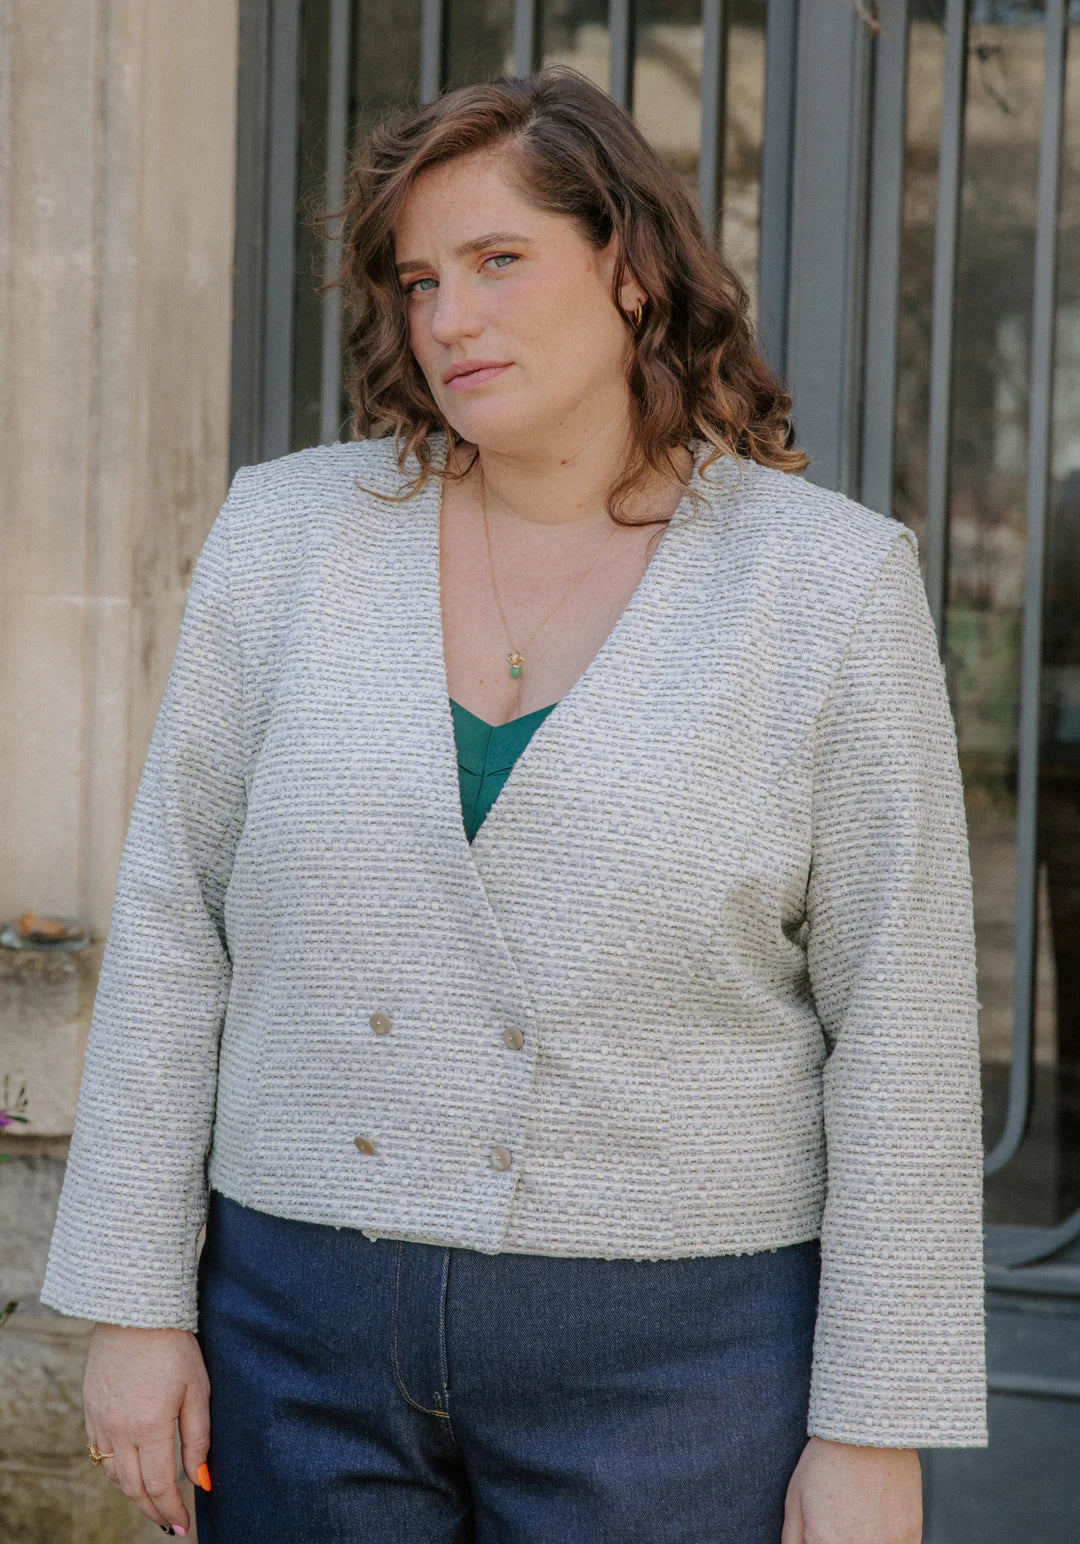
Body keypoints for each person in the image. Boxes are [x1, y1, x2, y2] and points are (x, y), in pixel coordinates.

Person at [40, 65, 987, 1543]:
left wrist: (875, 1425)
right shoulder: (284, 535)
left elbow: (903, 1023)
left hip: (679, 1360)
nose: (448, 320)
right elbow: (174, 925)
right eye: (421, 281)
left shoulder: (825, 584)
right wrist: (135, 1305)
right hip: (294, 1329)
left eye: (498, 260)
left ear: (631, 269)